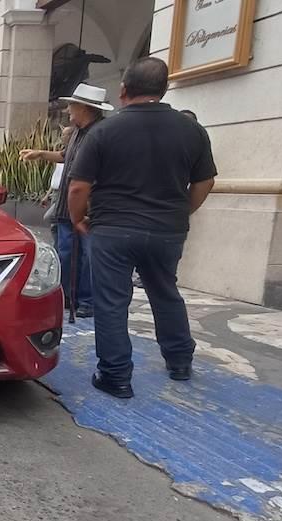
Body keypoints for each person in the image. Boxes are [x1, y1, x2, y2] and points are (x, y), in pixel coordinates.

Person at [67, 57, 217, 399]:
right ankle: (179, 362)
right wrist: (182, 212)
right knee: (165, 293)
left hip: (113, 228)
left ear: (123, 91)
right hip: (167, 230)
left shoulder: (105, 130)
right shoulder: (191, 129)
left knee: (112, 301)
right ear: (163, 90)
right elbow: (204, 181)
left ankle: (116, 376)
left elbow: (78, 187)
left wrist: (77, 219)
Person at [21, 83, 113, 318]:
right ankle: (67, 297)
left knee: (86, 257)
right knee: (66, 254)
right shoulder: (78, 133)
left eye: (72, 105)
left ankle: (87, 301)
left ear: (84, 107)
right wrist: (40, 154)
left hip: (85, 209)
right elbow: (65, 156)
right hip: (66, 208)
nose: (68, 109)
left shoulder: (99, 133)